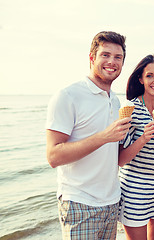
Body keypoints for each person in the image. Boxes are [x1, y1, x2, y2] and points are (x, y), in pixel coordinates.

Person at [46, 31, 131, 239]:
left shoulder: (115, 101)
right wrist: (104, 136)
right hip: (79, 203)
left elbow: (115, 158)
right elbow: (53, 156)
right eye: (105, 55)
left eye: (118, 57)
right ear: (92, 58)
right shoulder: (68, 96)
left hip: (111, 201)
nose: (112, 62)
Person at [118, 54, 154, 240]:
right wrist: (144, 137)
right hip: (136, 188)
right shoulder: (130, 109)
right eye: (150, 75)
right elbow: (121, 160)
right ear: (141, 79)